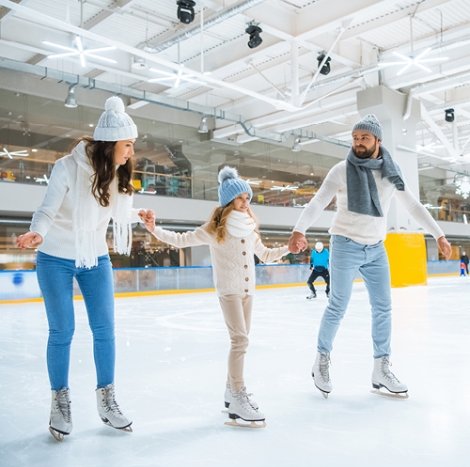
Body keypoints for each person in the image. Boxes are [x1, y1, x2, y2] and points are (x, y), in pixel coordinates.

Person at [288, 114, 452, 399]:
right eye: (354, 138)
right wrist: (298, 230)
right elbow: (318, 201)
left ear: (378, 140)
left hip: (376, 248)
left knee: (383, 308)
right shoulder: (341, 170)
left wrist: (438, 234)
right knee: (338, 306)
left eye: (364, 138)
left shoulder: (390, 172)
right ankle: (321, 361)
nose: (358, 143)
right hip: (345, 244)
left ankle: (381, 368)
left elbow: (412, 205)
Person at [16, 96, 141, 441]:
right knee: (62, 331)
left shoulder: (116, 174)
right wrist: (37, 233)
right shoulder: (66, 167)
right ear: (110, 144)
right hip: (55, 256)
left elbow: (112, 212)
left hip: (95, 257)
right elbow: (47, 209)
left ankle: (107, 400)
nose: (131, 151)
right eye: (127, 145)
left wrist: (137, 215)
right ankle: (60, 401)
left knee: (105, 329)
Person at [139, 167, 289, 427]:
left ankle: (231, 394)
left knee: (241, 341)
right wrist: (155, 230)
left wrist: (289, 248)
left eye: (247, 197)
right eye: (241, 197)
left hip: (247, 292)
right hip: (229, 291)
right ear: (229, 200)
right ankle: (239, 394)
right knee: (240, 341)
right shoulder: (214, 229)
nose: (246, 202)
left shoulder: (250, 229)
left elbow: (264, 255)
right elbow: (180, 239)